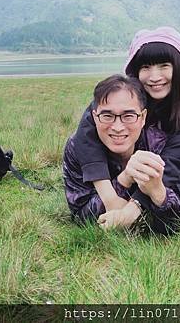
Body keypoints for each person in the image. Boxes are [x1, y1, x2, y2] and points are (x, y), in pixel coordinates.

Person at [70, 26, 180, 234]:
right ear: (135, 71)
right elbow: (86, 135)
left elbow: (174, 165)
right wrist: (110, 198)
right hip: (140, 160)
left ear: (178, 68)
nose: (154, 77)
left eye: (164, 66)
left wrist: (130, 210)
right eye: (146, 67)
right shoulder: (124, 97)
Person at [63, 74, 156, 226]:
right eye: (107, 115)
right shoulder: (77, 147)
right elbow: (81, 214)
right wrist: (124, 179)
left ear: (143, 117)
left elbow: (177, 202)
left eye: (128, 115)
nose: (118, 127)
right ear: (95, 117)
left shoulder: (157, 142)